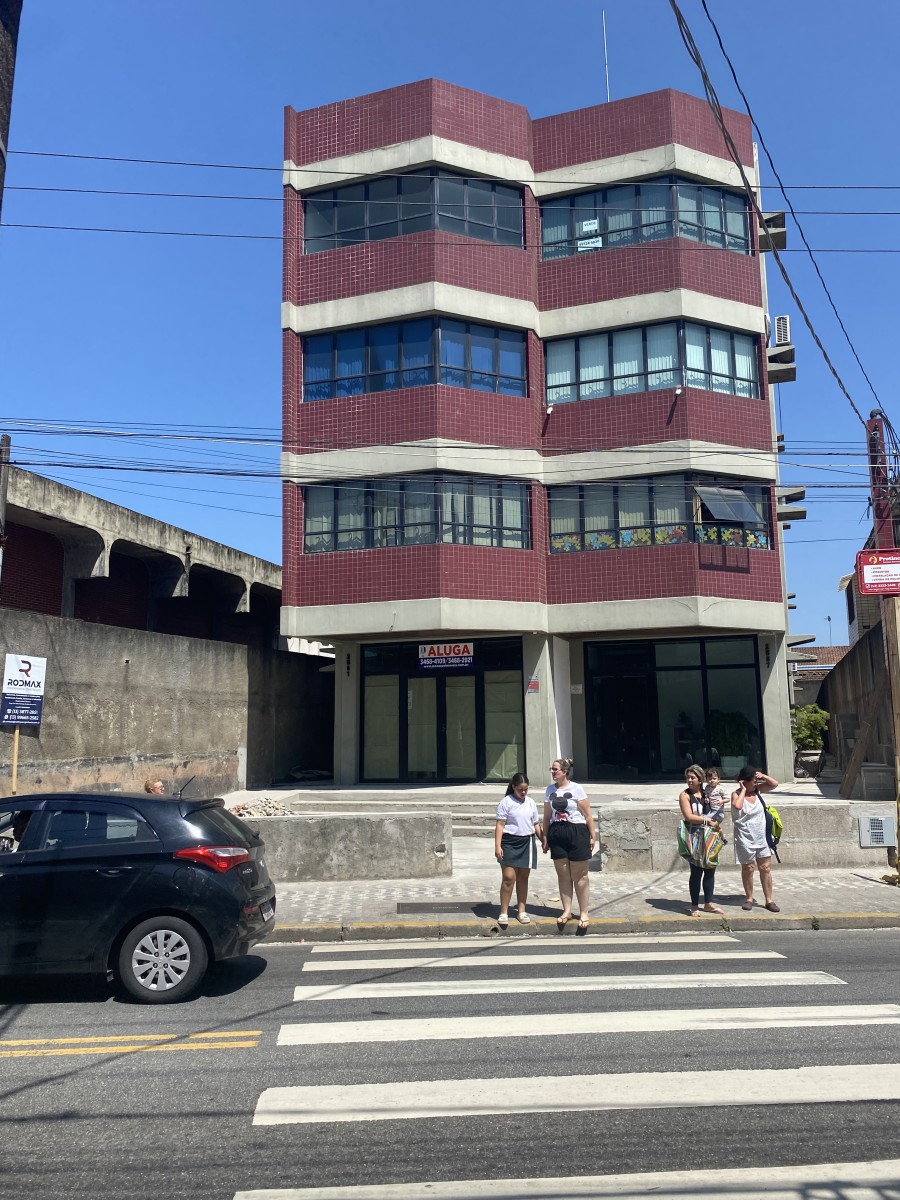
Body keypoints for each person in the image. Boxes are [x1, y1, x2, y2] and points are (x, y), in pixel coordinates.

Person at [542, 757, 596, 935]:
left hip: (576, 831)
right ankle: (566, 910)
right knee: (563, 874)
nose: (553, 772)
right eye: (552, 769)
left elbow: (587, 815)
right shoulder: (550, 790)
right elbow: (547, 816)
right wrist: (545, 837)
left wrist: (592, 835)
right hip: (557, 832)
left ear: (564, 772)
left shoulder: (576, 789)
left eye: (555, 769)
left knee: (580, 876)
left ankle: (584, 912)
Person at [494, 772, 542, 927]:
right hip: (509, 842)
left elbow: (535, 824)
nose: (523, 792)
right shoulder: (506, 802)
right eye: (520, 789)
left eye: (526, 790)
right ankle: (504, 912)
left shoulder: (530, 803)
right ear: (513, 787)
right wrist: (497, 845)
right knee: (509, 878)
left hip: (527, 841)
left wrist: (544, 840)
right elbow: (500, 825)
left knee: (523, 878)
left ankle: (522, 910)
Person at [731, 765, 780, 912]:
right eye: (753, 781)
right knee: (748, 868)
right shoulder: (736, 794)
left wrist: (763, 776)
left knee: (765, 868)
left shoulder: (758, 791)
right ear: (744, 781)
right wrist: (744, 789)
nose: (756, 784)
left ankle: (769, 900)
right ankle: (749, 898)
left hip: (762, 837)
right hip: (745, 838)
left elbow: (775, 784)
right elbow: (737, 806)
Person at [679, 764, 724, 917]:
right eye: (688, 778)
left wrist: (717, 821)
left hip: (710, 836)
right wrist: (707, 821)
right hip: (694, 836)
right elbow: (689, 816)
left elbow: (716, 810)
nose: (689, 780)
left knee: (710, 869)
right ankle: (694, 905)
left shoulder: (706, 794)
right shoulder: (685, 795)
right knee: (696, 871)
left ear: (700, 779)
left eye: (693, 778)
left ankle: (708, 903)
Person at [703, 767, 729, 844]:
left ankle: (711, 839)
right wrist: (707, 799)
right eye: (710, 779)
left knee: (704, 820)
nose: (712, 781)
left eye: (714, 778)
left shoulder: (720, 788)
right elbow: (706, 795)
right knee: (714, 826)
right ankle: (723, 838)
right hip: (711, 810)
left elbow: (728, 799)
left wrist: (722, 801)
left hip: (718, 812)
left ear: (718, 779)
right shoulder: (707, 787)